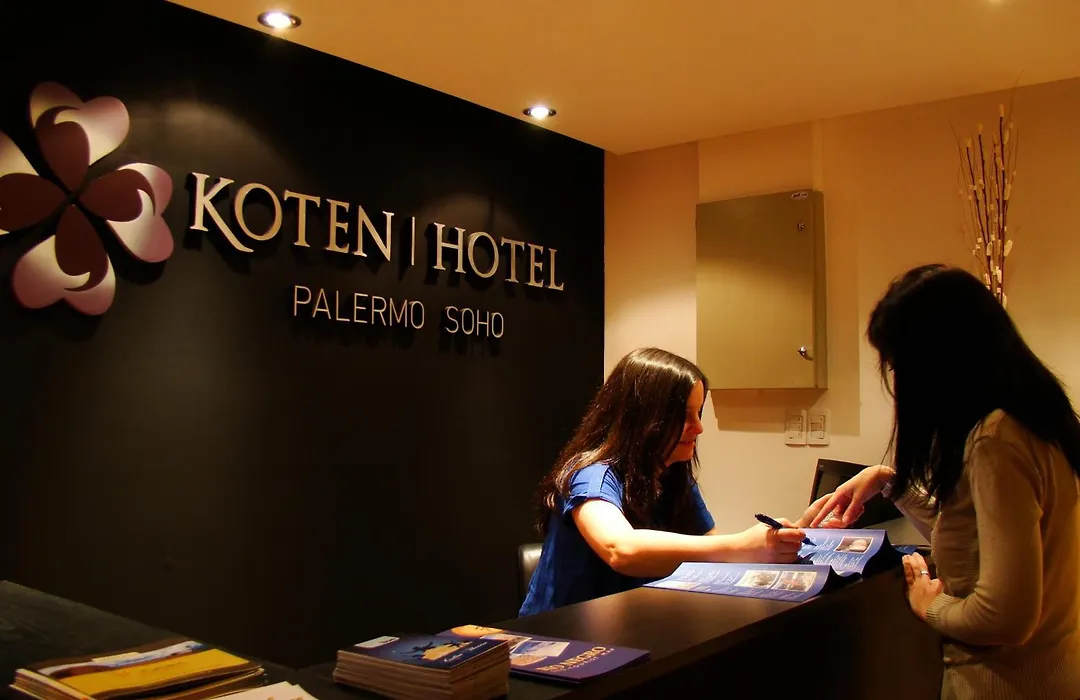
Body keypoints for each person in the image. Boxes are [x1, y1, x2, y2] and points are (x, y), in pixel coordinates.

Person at [811, 265, 1080, 700]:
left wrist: (928, 603)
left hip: (1002, 684)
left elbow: (1006, 618)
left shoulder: (995, 441)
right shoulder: (1035, 423)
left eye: (900, 366)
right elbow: (976, 537)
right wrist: (887, 481)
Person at [519, 347, 827, 616]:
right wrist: (742, 545)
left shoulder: (672, 474)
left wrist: (792, 537)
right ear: (644, 418)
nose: (699, 428)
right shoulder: (592, 474)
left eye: (698, 413)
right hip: (562, 638)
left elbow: (709, 548)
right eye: (685, 416)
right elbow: (620, 549)